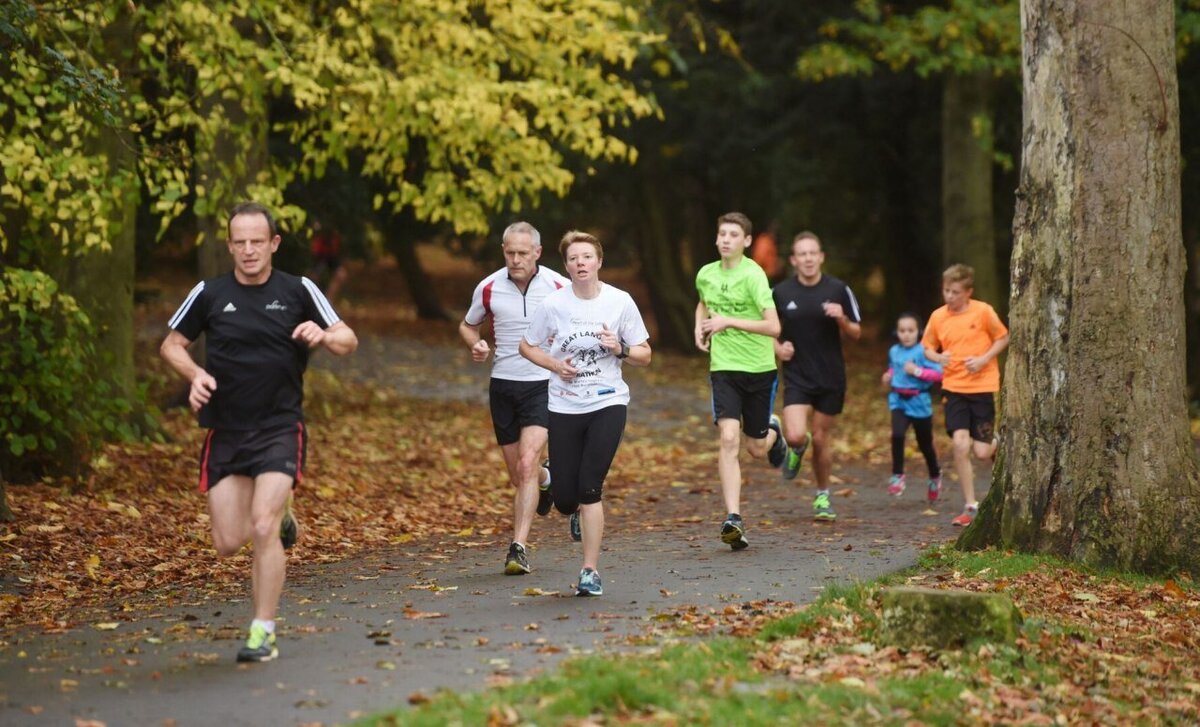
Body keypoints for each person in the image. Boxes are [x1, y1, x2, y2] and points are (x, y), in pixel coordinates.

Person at [160, 202, 358, 663]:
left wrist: (324, 336)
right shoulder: (210, 293)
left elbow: (349, 339)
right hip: (226, 430)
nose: (248, 250)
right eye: (239, 242)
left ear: (273, 244)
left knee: (263, 525)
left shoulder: (298, 289)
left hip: (279, 426)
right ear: (229, 245)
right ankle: (282, 516)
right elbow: (171, 345)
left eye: (257, 241)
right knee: (228, 542)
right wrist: (195, 376)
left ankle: (262, 631)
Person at [518, 230, 651, 597]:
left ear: (599, 262)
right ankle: (557, 489)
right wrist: (554, 365)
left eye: (587, 257)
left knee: (590, 487)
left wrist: (620, 347)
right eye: (574, 258)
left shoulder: (620, 302)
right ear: (567, 266)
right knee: (565, 499)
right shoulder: (554, 305)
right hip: (564, 404)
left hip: (608, 402)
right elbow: (526, 346)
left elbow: (645, 353)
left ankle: (589, 571)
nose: (581, 263)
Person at [459, 221, 569, 576]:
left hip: (543, 384)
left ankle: (518, 547)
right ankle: (548, 480)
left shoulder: (558, 286)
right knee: (519, 474)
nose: (516, 259)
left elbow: (582, 319)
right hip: (503, 386)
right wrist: (474, 342)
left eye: (523, 253)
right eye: (510, 252)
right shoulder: (489, 287)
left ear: (537, 252)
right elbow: (468, 324)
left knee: (525, 464)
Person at [694, 212, 787, 551]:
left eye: (733, 234)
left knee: (756, 448)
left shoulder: (754, 276)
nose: (726, 239)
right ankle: (733, 517)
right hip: (724, 368)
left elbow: (774, 327)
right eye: (722, 234)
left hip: (760, 369)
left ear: (746, 241)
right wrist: (699, 326)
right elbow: (704, 303)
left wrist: (728, 322)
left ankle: (772, 431)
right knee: (728, 437)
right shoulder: (706, 273)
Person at [772, 231, 862, 522]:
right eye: (803, 254)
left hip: (830, 376)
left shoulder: (838, 289)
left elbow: (857, 332)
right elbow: (766, 328)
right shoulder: (781, 292)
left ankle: (822, 495)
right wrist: (777, 347)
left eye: (813, 253)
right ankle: (796, 446)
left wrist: (841, 319)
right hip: (797, 374)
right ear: (794, 260)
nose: (808, 259)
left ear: (821, 257)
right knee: (797, 433)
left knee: (822, 438)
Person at [921, 263, 1009, 527]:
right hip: (954, 388)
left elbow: (1003, 338)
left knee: (981, 453)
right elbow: (926, 347)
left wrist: (983, 360)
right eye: (946, 290)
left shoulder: (983, 312)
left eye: (955, 292)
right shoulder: (938, 317)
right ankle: (970, 505)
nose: (949, 296)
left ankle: (996, 445)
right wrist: (938, 357)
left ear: (968, 292)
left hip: (982, 387)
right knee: (960, 444)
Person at [881, 312, 943, 500]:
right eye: (902, 330)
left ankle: (934, 474)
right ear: (896, 333)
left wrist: (916, 371)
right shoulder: (894, 351)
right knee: (897, 434)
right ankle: (897, 475)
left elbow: (939, 374)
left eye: (910, 330)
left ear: (919, 332)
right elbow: (894, 366)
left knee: (924, 444)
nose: (906, 334)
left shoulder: (923, 351)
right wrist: (888, 375)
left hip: (919, 402)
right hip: (898, 399)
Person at [309, 218, 349, 301]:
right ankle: (314, 300)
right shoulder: (318, 235)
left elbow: (337, 254)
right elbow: (316, 253)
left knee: (341, 276)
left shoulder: (334, 236)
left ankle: (328, 300)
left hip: (332, 258)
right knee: (312, 279)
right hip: (320, 258)